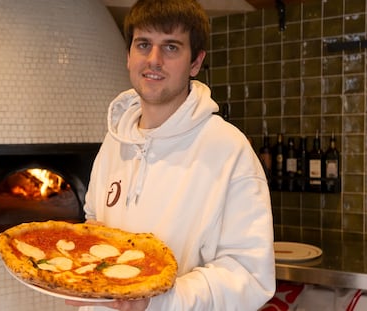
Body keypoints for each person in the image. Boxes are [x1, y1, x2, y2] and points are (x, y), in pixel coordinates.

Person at [67, 0, 275, 310]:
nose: (154, 60)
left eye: (171, 47)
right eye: (143, 44)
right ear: (128, 56)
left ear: (195, 63)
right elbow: (95, 223)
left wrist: (157, 301)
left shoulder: (229, 150)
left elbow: (250, 276)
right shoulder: (114, 143)